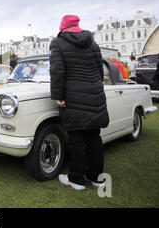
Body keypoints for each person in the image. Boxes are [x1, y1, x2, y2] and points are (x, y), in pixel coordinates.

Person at [50, 14, 109, 191]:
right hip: (94, 94)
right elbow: (99, 70)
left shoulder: (58, 42)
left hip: (73, 95)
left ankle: (76, 179)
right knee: (94, 138)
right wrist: (94, 87)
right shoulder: (93, 43)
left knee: (76, 139)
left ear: (62, 27)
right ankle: (96, 177)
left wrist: (58, 95)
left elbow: (57, 71)